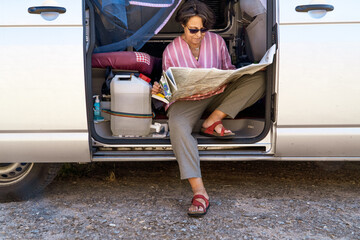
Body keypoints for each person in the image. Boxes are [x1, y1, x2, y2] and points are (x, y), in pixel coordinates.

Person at [152, 0, 265, 217]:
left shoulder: (217, 41)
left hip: (216, 95)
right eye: (193, 30)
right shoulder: (171, 51)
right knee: (177, 126)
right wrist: (158, 90)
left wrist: (233, 76)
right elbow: (169, 92)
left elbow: (228, 71)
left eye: (203, 29)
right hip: (187, 100)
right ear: (183, 26)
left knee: (259, 79)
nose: (198, 34)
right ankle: (200, 192)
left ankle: (213, 119)